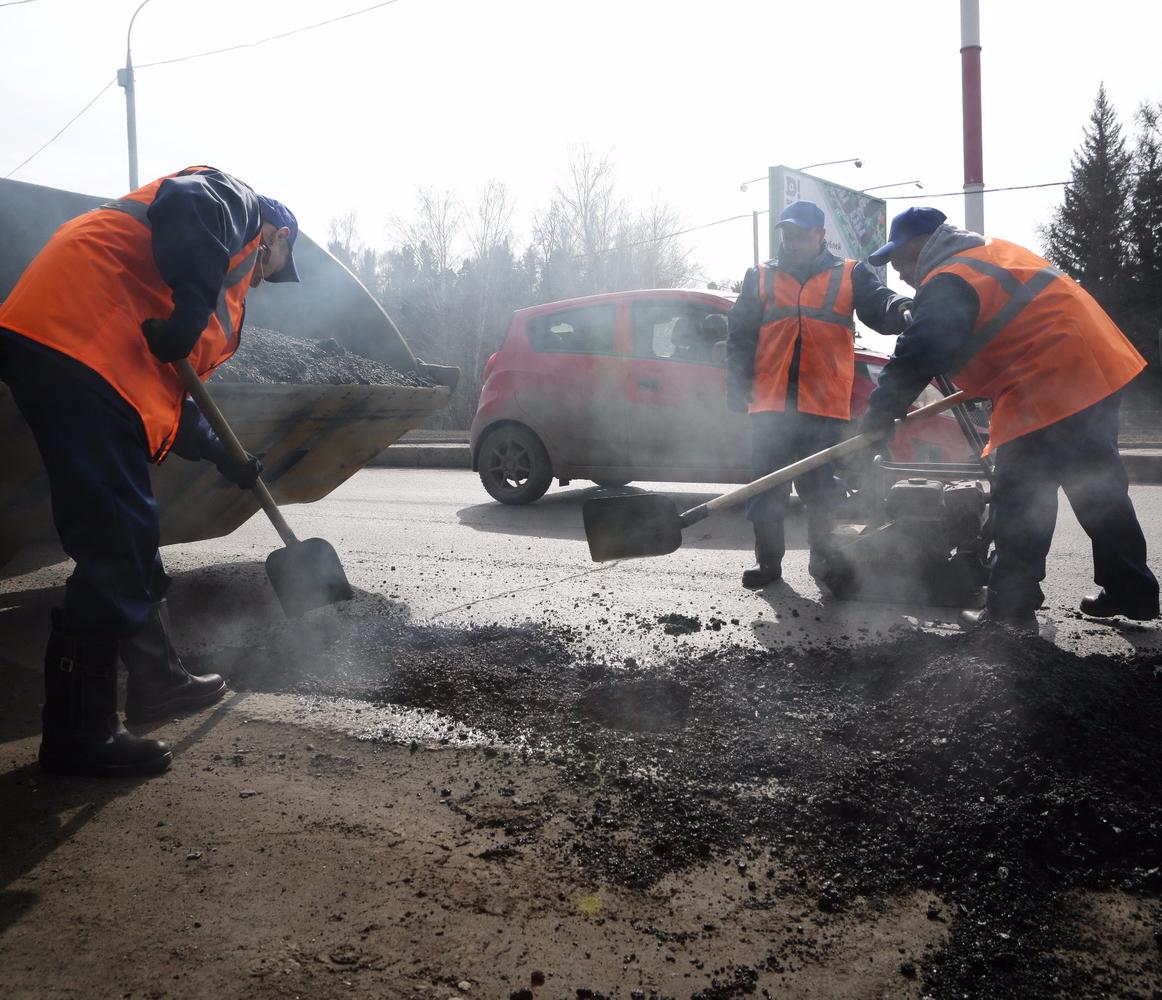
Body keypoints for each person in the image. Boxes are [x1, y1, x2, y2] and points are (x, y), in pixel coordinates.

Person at [0, 165, 301, 776]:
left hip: (84, 352)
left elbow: (169, 391)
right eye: (276, 264)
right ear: (279, 235)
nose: (266, 279)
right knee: (116, 539)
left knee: (130, 527)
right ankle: (77, 735)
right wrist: (192, 310)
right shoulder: (230, 201)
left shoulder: (200, 278)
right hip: (78, 340)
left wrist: (224, 453)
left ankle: (158, 679)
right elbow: (188, 202)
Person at [859, 206, 1159, 633]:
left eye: (902, 260)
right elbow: (1002, 328)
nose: (902, 273)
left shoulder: (949, 277)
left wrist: (878, 416)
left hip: (1047, 376)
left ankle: (1008, 610)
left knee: (1020, 493)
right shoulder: (991, 253)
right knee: (1098, 487)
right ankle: (1133, 591)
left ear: (924, 246)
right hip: (1094, 364)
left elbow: (920, 351)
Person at [726, 199, 913, 589]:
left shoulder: (849, 274)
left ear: (820, 236)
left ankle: (823, 560)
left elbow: (879, 306)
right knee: (766, 488)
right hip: (771, 405)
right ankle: (768, 564)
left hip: (823, 406)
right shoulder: (759, 276)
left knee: (822, 490)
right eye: (788, 236)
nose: (792, 243)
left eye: (801, 236)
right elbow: (740, 335)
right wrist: (737, 385)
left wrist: (900, 307)